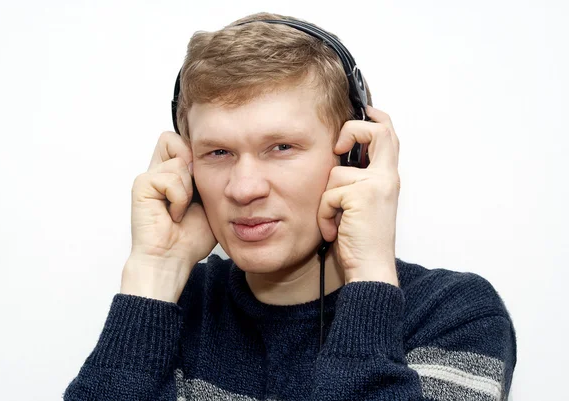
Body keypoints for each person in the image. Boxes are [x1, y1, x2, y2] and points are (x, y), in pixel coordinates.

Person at [63, 12, 517, 401]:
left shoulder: (454, 313)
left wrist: (369, 270)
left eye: (281, 147)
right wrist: (153, 273)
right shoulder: (167, 307)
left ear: (354, 156)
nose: (243, 189)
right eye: (217, 152)